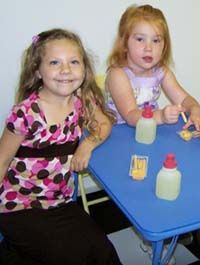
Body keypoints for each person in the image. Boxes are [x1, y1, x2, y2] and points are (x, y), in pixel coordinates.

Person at [0, 28, 122, 265]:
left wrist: (87, 144)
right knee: (70, 256)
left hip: (60, 202)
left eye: (73, 62)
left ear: (84, 69)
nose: (65, 70)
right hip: (19, 205)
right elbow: (2, 160)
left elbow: (104, 124)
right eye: (55, 62)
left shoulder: (81, 100)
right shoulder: (25, 114)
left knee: (103, 252)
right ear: (37, 71)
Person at [105, 4, 200, 134]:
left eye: (156, 41)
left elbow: (184, 99)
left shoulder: (161, 72)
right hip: (118, 133)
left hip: (149, 130)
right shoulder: (117, 75)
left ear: (164, 47)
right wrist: (161, 116)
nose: (148, 48)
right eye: (140, 39)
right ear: (124, 44)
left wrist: (196, 111)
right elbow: (130, 115)